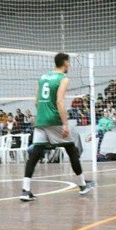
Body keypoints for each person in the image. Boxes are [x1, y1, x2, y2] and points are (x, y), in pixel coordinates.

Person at [21, 53, 94, 202]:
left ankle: (25, 190)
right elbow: (60, 102)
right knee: (71, 149)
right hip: (54, 120)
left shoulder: (42, 78)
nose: (70, 65)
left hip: (40, 119)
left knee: (35, 155)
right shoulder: (63, 79)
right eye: (69, 62)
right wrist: (65, 124)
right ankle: (82, 185)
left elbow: (36, 101)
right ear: (65, 63)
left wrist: (43, 114)